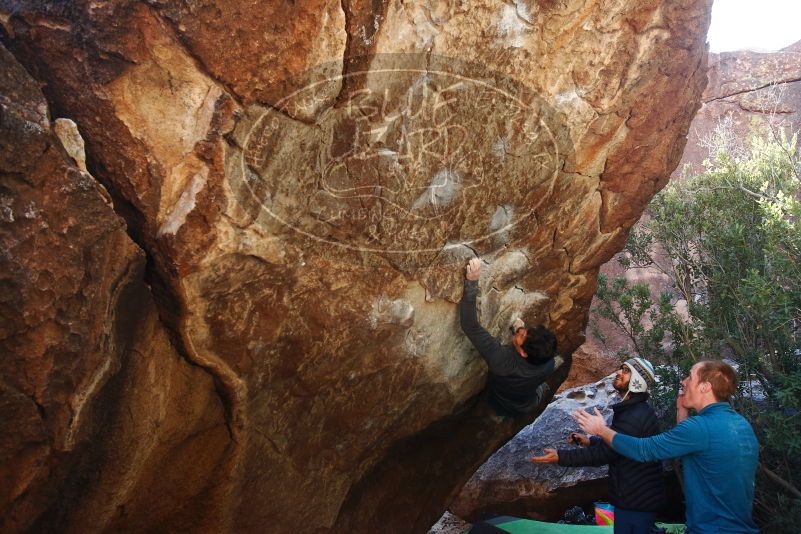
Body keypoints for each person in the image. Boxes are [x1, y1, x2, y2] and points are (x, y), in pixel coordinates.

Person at [574, 360, 759, 534]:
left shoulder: (700, 427)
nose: (684, 381)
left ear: (705, 387)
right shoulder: (741, 424)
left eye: (690, 377)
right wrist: (682, 411)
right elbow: (693, 447)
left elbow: (643, 450)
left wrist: (601, 430)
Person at [531, 358, 666, 534]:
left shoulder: (634, 415)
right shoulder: (635, 410)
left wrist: (561, 456)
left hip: (635, 501)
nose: (618, 372)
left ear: (637, 381)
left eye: (625, 370)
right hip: (636, 498)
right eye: (621, 368)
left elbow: (605, 454)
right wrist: (589, 441)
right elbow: (620, 446)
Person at [459, 257, 560, 415]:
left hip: (502, 402)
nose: (521, 330)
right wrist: (521, 329)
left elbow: (470, 326)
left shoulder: (501, 361)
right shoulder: (548, 362)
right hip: (529, 400)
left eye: (522, 335)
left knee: (499, 407)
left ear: (523, 353)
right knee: (538, 388)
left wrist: (471, 282)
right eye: (526, 330)